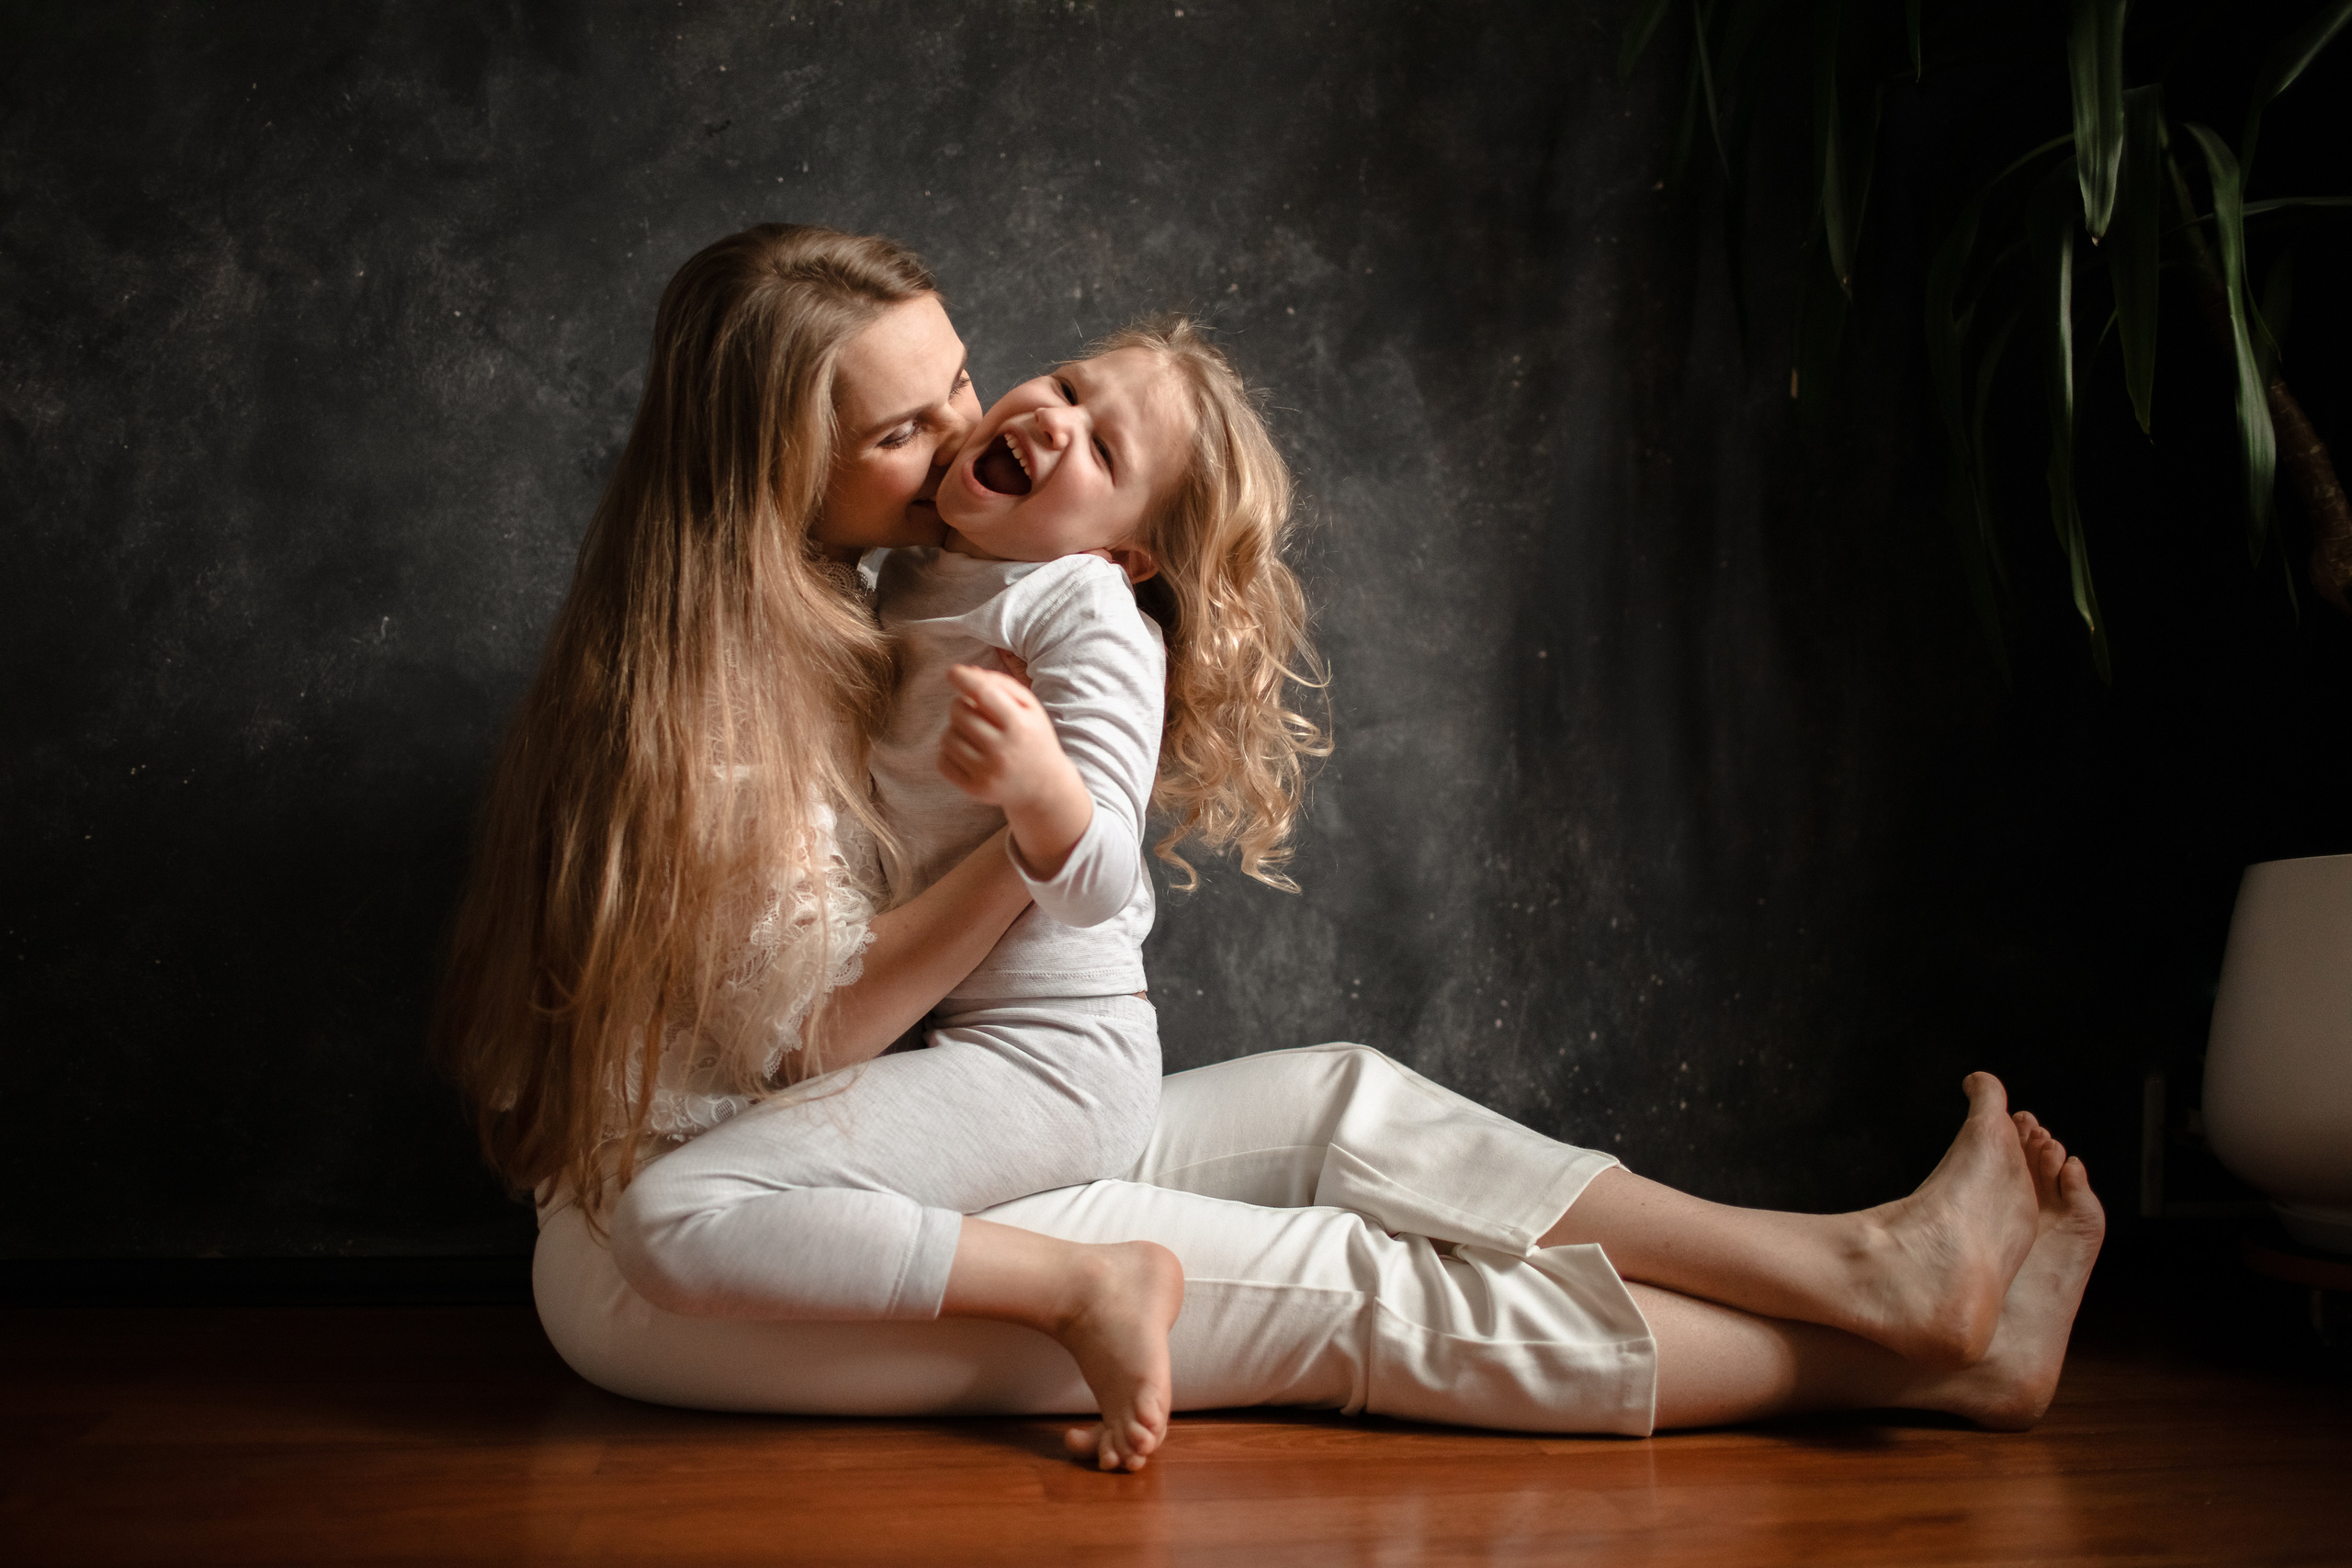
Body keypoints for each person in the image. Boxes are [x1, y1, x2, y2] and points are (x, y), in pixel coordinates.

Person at [437, 223, 2105, 1473]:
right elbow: (817, 1040)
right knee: (1340, 1280)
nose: (964, 426)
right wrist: (1034, 844)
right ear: (778, 468)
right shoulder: (716, 707)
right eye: (905, 428)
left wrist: (1053, 803)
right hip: (700, 1249)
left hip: (849, 1152)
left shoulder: (877, 593)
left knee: (1340, 1099)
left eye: (961, 374)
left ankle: (1873, 1273)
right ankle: (1900, 1365)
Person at [604, 314, 1327, 1471]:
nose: (1055, 418)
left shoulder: (1081, 611)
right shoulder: (911, 573)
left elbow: (1096, 884)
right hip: (952, 1040)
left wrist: (1041, 788)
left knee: (673, 1222)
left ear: (1127, 550)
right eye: (1069, 383)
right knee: (680, 1200)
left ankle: (1093, 1283)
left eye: (1101, 452)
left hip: (1053, 1059)